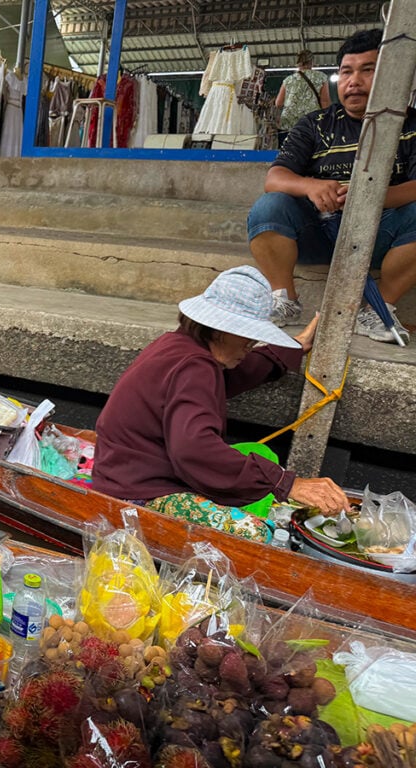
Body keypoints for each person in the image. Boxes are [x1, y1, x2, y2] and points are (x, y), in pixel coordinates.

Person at [93, 265, 349, 543]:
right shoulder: (194, 365)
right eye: (247, 336)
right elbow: (195, 449)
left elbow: (240, 370)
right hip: (137, 490)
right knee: (258, 533)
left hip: (126, 471)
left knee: (264, 474)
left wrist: (292, 348)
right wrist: (286, 483)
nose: (251, 344)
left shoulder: (179, 345)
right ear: (220, 330)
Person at [248, 28, 416, 344]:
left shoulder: (411, 125)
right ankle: (284, 300)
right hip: (321, 235)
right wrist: (311, 186)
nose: (354, 81)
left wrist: (371, 197)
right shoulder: (315, 124)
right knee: (269, 207)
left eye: (368, 71)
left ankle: (379, 308)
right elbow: (275, 178)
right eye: (346, 72)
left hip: (385, 239)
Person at [274, 50, 330, 144]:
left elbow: (278, 103)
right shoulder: (321, 77)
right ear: (312, 62)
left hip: (288, 126)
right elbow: (325, 103)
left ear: (298, 63)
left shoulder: (288, 80)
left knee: (288, 154)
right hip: (311, 124)